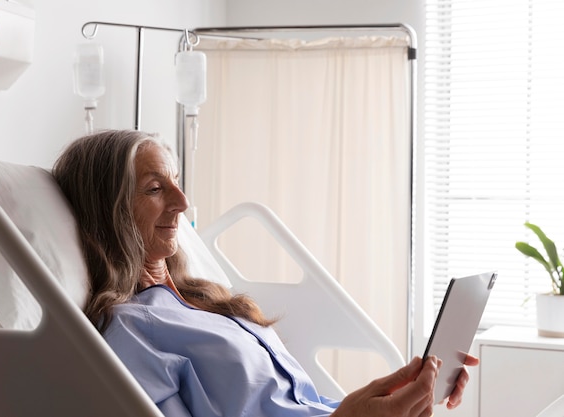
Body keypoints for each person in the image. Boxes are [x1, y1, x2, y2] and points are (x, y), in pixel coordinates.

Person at [52, 129, 478, 417]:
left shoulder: (203, 298)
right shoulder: (129, 333)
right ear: (110, 213)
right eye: (155, 188)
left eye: (177, 182)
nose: (182, 202)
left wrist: (399, 393)